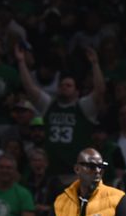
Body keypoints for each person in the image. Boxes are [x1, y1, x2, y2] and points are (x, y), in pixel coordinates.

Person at [15, 45, 105, 178]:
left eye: (68, 85)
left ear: (76, 91)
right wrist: (21, 62)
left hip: (76, 172)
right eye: (61, 85)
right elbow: (29, 88)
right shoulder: (49, 105)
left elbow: (100, 91)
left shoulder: (83, 107)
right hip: (51, 171)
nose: (64, 88)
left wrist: (95, 64)